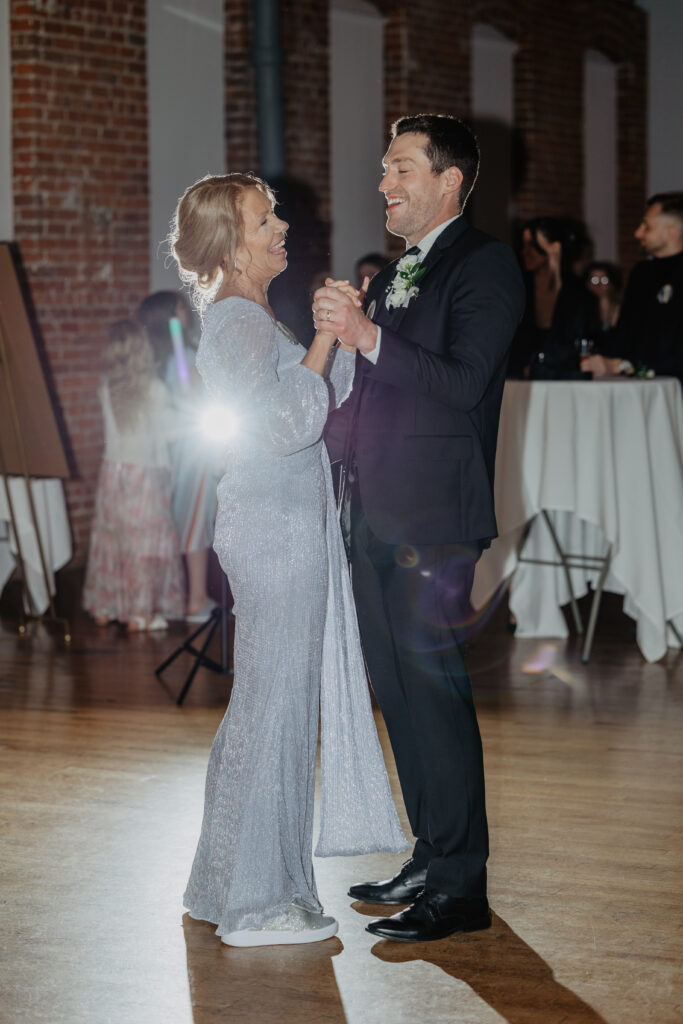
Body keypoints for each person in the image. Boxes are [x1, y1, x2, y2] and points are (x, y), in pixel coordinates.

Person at [170, 172, 407, 948]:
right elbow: (284, 425)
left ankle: (221, 885)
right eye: (264, 218)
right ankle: (260, 903)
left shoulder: (249, 315)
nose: (281, 226)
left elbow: (316, 394)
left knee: (264, 708)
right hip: (275, 532)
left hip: (279, 526)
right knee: (275, 710)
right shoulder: (238, 321)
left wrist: (330, 333)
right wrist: (325, 341)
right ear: (232, 243)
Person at [314, 113, 525, 942]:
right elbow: (376, 395)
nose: (384, 183)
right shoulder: (404, 268)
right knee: (397, 695)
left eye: (400, 167)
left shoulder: (487, 264)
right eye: (382, 168)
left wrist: (366, 335)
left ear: (449, 180)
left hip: (434, 514)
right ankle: (431, 853)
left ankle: (461, 886)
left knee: (434, 695)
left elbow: (464, 381)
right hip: (373, 508)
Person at [82, 319, 183, 630]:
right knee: (145, 544)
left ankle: (106, 606)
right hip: (146, 474)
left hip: (114, 473)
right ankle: (140, 613)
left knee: (112, 540)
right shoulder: (154, 389)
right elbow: (170, 432)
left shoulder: (105, 387)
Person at [137, 290, 219, 621]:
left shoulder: (152, 356)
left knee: (180, 518)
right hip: (192, 448)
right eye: (182, 310)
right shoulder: (180, 353)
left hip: (166, 450)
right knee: (195, 519)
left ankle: (177, 594)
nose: (187, 314)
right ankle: (196, 599)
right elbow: (189, 398)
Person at [581, 193, 683, 384]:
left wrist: (623, 365)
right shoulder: (641, 273)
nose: (638, 233)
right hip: (635, 389)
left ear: (672, 232)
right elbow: (624, 333)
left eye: (647, 227)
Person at [508, 217, 597, 377]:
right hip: (520, 379)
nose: (525, 252)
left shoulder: (577, 291)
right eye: (524, 245)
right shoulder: (517, 287)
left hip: (564, 378)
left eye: (533, 245)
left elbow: (580, 341)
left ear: (555, 248)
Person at [583, 260, 623, 356]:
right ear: (587, 284)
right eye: (594, 280)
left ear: (611, 283)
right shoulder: (583, 308)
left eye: (604, 280)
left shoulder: (618, 306)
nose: (599, 284)